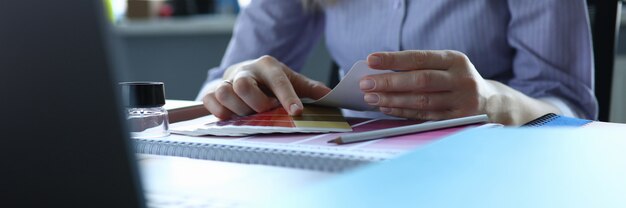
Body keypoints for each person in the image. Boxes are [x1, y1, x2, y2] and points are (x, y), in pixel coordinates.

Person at [196, 0, 596, 125]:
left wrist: (491, 101)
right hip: (348, 168)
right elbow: (212, 90)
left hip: (495, 168)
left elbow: (572, 112)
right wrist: (237, 79)